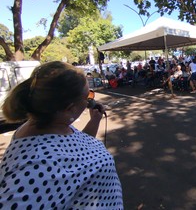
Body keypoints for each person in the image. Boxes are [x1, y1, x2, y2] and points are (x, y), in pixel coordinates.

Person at [0, 61, 123, 209]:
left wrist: (95, 120)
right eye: (88, 96)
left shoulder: (50, 124)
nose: (91, 101)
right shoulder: (38, 165)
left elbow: (76, 149)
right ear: (69, 109)